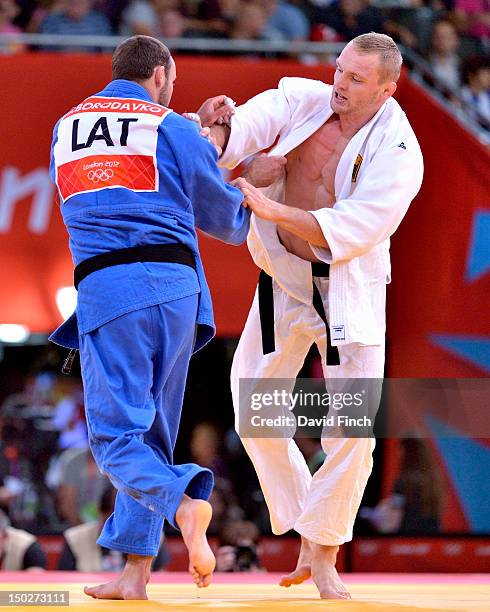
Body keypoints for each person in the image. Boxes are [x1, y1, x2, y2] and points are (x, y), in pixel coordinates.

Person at [197, 32, 424, 599]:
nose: (339, 84)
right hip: (283, 280)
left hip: (346, 290)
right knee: (253, 408)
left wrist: (273, 207)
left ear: (387, 89)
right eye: (340, 70)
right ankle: (309, 522)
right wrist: (217, 130)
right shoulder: (305, 99)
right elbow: (247, 126)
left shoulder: (399, 150)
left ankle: (322, 555)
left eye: (355, 79)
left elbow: (358, 225)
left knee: (350, 428)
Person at [48, 35, 249, 600]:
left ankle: (185, 504)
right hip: (178, 293)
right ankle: (135, 575)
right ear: (160, 75)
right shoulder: (172, 128)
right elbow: (227, 222)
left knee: (116, 440)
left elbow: (110, 175)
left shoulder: (66, 129)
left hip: (112, 290)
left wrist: (194, 135)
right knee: (150, 434)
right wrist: (247, 180)